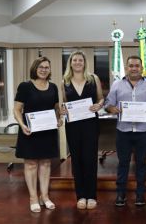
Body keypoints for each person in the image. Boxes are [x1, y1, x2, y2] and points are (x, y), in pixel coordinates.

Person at [104, 55, 146, 207]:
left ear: (142, 68)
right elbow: (108, 103)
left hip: (143, 130)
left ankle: (140, 195)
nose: (134, 68)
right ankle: (120, 194)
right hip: (123, 130)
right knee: (123, 162)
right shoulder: (117, 84)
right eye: (131, 66)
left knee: (141, 163)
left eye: (137, 66)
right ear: (126, 67)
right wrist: (112, 108)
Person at [13, 56, 63, 213]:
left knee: (46, 164)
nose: (43, 70)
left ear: (50, 70)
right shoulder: (25, 86)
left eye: (46, 67)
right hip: (30, 131)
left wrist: (59, 118)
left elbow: (55, 107)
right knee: (31, 164)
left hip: (47, 131)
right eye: (41, 67)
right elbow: (16, 109)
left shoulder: (53, 87)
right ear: (35, 68)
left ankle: (45, 197)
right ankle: (33, 198)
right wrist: (22, 125)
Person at [60, 51, 104, 209]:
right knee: (76, 160)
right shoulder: (64, 82)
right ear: (70, 63)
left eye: (80, 60)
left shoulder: (93, 78)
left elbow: (101, 98)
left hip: (90, 124)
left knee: (90, 159)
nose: (77, 62)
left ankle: (91, 196)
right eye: (74, 60)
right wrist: (62, 110)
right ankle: (80, 196)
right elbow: (64, 103)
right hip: (73, 125)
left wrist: (99, 105)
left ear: (84, 62)